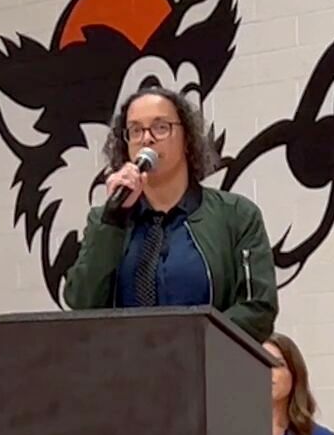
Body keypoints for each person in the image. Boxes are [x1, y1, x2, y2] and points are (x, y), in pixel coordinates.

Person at [64, 85, 279, 342]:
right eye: (135, 130)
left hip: (207, 370)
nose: (147, 139)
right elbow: (81, 303)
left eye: (160, 127)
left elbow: (258, 309)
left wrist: (185, 341)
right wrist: (114, 220)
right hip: (125, 373)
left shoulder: (235, 215)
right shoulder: (106, 221)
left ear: (187, 138)